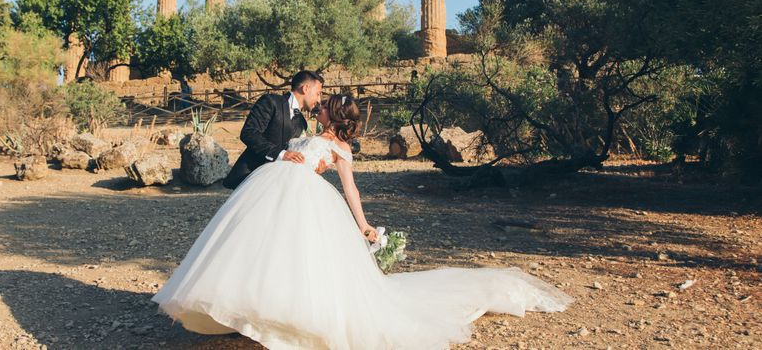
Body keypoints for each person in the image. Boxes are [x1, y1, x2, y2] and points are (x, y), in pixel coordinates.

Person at [153, 94, 572, 349]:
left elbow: (350, 189)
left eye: (325, 108)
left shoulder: (340, 148)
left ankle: (284, 318)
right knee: (261, 249)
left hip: (303, 198)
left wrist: (363, 224)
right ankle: (249, 310)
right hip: (272, 187)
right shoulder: (307, 130)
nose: (318, 110)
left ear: (333, 118)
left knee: (298, 255)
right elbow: (286, 146)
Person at [221, 70, 323, 190]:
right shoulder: (271, 101)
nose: (319, 100)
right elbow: (249, 132)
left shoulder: (302, 122)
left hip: (278, 184)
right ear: (305, 88)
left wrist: (312, 164)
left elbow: (294, 153)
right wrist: (280, 154)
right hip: (252, 176)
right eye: (318, 93)